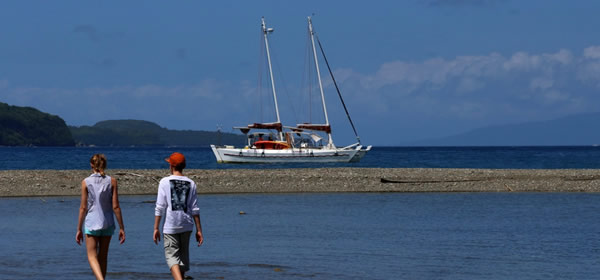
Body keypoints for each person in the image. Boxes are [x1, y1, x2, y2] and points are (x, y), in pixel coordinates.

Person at [153, 152, 204, 280]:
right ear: (183, 166)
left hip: (171, 225)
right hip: (187, 225)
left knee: (172, 258)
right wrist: (199, 230)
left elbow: (160, 207)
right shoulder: (191, 183)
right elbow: (195, 209)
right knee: (182, 258)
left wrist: (155, 228)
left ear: (171, 165)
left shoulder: (164, 182)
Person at [76, 154, 126, 280]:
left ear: (91, 165)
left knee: (92, 256)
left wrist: (78, 229)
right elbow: (116, 207)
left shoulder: (86, 182)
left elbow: (83, 208)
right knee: (103, 256)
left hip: (92, 222)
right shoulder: (112, 181)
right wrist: (122, 227)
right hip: (108, 222)